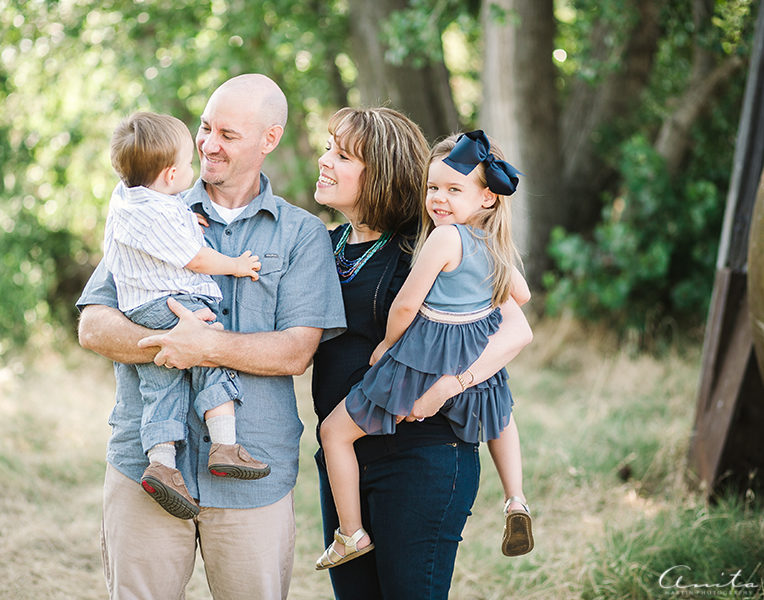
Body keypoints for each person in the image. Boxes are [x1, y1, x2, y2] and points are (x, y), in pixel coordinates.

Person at [77, 74, 346, 600]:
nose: (208, 144)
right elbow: (93, 325)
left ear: (269, 139)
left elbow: (296, 351)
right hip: (144, 467)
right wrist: (166, 341)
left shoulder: (301, 234)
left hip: (254, 477)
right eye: (204, 127)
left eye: (228, 133)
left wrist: (203, 347)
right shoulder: (145, 209)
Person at [311, 112, 534, 599]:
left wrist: (452, 384)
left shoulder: (431, 243)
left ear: (381, 172)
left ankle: (514, 498)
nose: (325, 161)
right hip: (346, 457)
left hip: (420, 455)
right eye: (330, 149)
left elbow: (516, 328)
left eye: (342, 155)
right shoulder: (324, 246)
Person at [103, 111, 271, 521]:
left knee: (161, 387)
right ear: (171, 174)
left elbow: (161, 219)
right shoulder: (163, 212)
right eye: (188, 165)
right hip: (174, 303)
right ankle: (225, 444)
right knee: (209, 353)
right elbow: (195, 259)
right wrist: (235, 265)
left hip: (140, 308)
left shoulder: (128, 199)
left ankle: (161, 465)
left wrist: (181, 218)